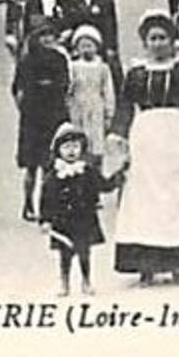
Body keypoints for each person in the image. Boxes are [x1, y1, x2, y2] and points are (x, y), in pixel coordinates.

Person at [108, 10, 179, 285]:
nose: (157, 43)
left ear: (172, 41)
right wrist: (119, 144)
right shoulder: (135, 73)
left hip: (177, 137)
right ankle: (146, 264)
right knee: (144, 199)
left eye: (162, 38)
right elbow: (124, 108)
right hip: (145, 138)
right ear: (145, 42)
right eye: (152, 38)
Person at [40, 121, 118, 297]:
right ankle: (64, 282)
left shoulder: (87, 170)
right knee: (64, 254)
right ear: (58, 150)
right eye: (66, 146)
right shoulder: (54, 175)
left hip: (84, 219)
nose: (71, 151)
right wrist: (45, 220)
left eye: (75, 146)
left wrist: (117, 178)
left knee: (84, 253)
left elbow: (103, 185)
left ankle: (86, 281)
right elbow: (46, 198)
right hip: (63, 221)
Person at [13, 16, 71, 222]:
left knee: (52, 163)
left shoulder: (60, 59)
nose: (47, 39)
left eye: (50, 35)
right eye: (42, 35)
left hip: (54, 113)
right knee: (31, 165)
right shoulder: (27, 61)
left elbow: (64, 84)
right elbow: (18, 88)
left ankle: (50, 205)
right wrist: (25, 108)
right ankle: (28, 203)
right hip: (33, 116)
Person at [61, 0, 122, 89]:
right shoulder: (71, 0)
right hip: (80, 43)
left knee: (111, 71)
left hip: (101, 43)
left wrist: (111, 47)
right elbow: (69, 23)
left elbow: (111, 23)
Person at [66, 25, 119, 171]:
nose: (86, 49)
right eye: (82, 46)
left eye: (90, 45)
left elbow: (108, 91)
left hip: (96, 108)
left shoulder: (102, 68)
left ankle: (96, 176)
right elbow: (69, 89)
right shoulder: (73, 66)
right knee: (78, 142)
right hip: (78, 108)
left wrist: (109, 113)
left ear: (97, 47)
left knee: (96, 145)